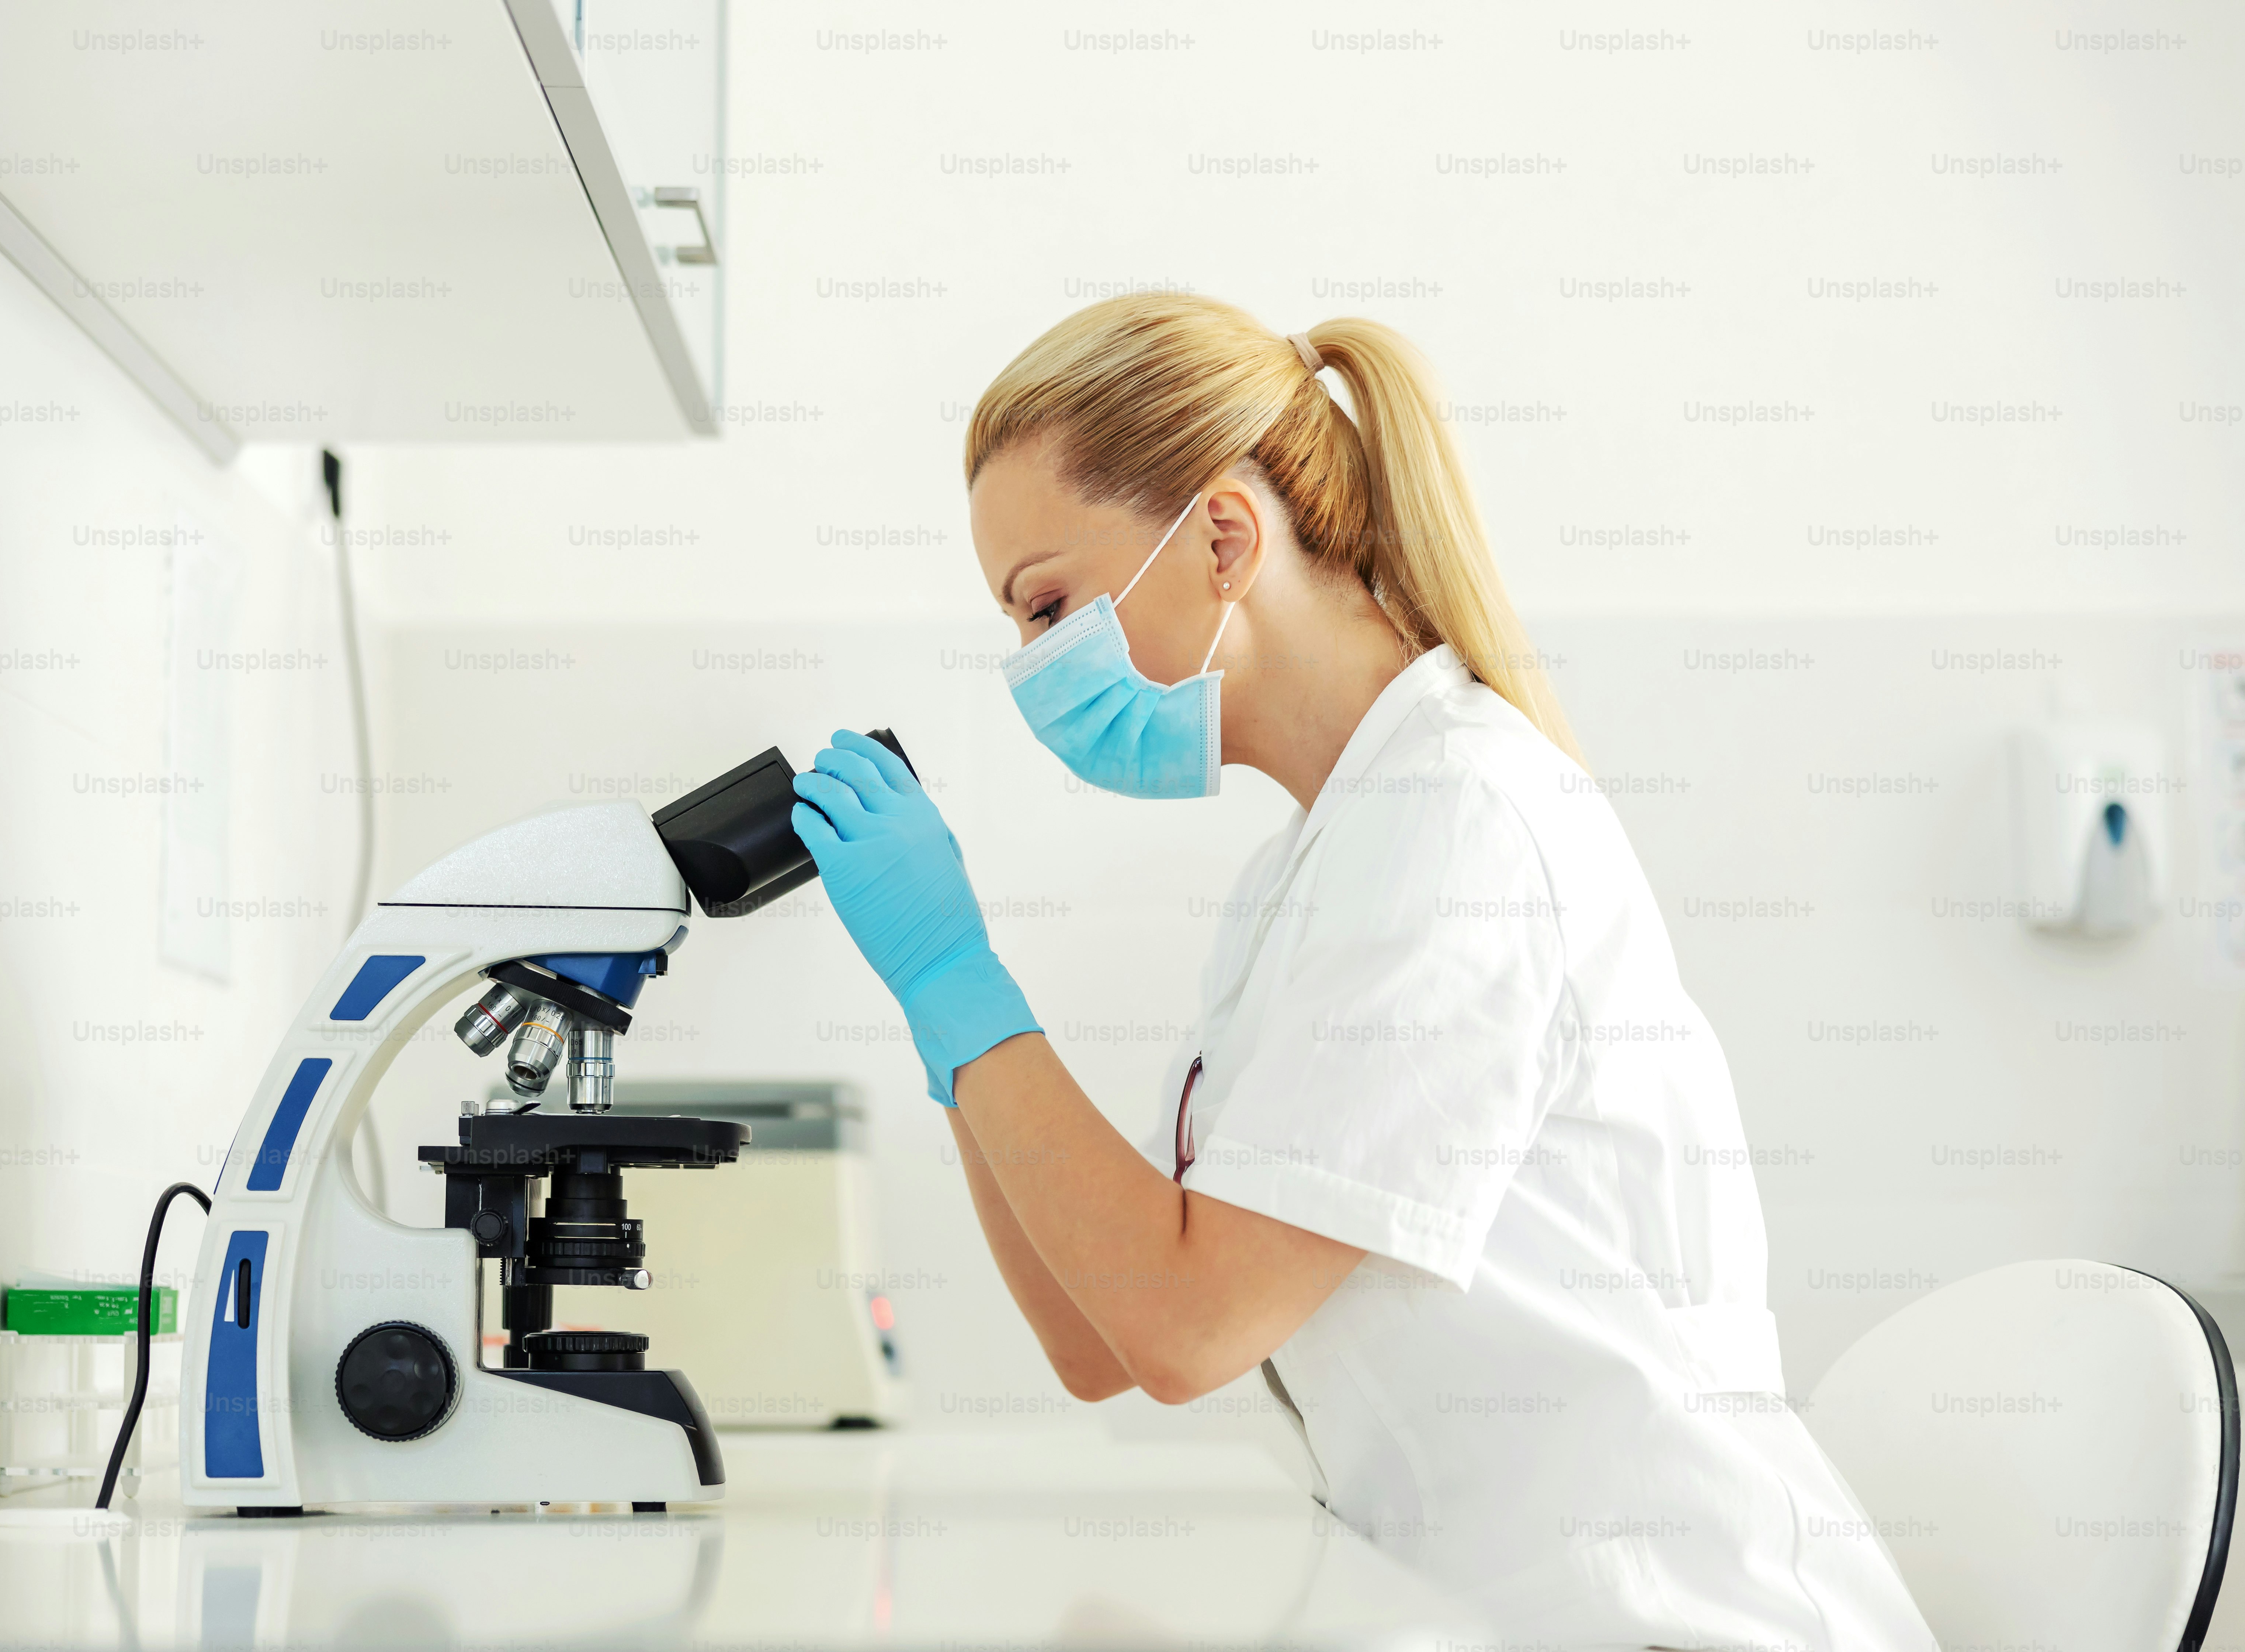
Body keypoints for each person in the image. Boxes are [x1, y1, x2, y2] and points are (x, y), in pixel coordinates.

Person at [787, 294, 1932, 1648]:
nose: (1034, 669)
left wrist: (959, 972)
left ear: (1221, 536)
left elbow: (1187, 1327)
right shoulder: (1305, 876)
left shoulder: (1458, 827)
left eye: (1047, 605)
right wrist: (942, 1016)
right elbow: (1098, 1338)